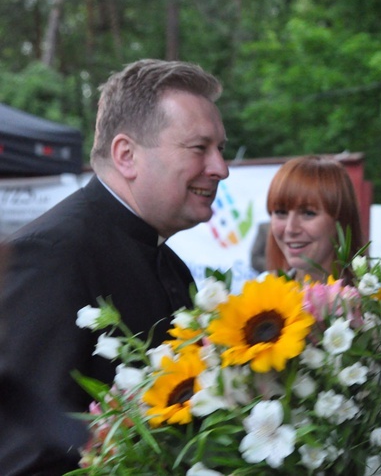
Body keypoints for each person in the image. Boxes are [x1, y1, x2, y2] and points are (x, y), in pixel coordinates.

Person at [0, 59, 229, 474]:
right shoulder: (49, 255)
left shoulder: (173, 266)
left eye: (221, 149)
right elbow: (23, 453)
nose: (220, 168)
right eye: (200, 148)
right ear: (127, 155)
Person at [265, 155, 364, 283]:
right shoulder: (260, 294)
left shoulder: (377, 298)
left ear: (341, 218)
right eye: (281, 212)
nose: (290, 229)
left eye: (308, 213)